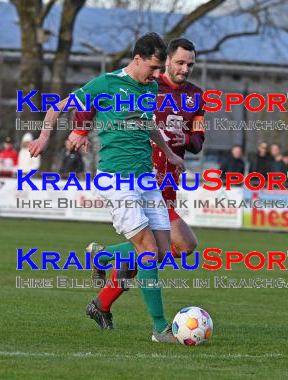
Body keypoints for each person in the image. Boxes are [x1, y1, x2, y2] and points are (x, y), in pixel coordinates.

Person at [28, 32, 185, 343]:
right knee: (149, 251)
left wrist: (168, 153)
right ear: (137, 59)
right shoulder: (106, 83)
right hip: (117, 179)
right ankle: (160, 328)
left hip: (146, 178)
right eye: (153, 68)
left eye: (160, 69)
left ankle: (102, 257)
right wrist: (44, 137)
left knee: (166, 250)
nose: (157, 75)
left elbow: (146, 123)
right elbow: (56, 107)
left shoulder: (150, 86)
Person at [75, 37, 205, 325]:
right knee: (181, 245)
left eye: (190, 64)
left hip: (167, 185)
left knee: (147, 258)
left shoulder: (196, 96)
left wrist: (187, 139)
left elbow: (199, 137)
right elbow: (90, 101)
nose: (185, 69)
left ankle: (101, 298)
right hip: (141, 177)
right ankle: (156, 324)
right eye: (180, 62)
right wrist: (81, 131)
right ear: (166, 60)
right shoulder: (147, 85)